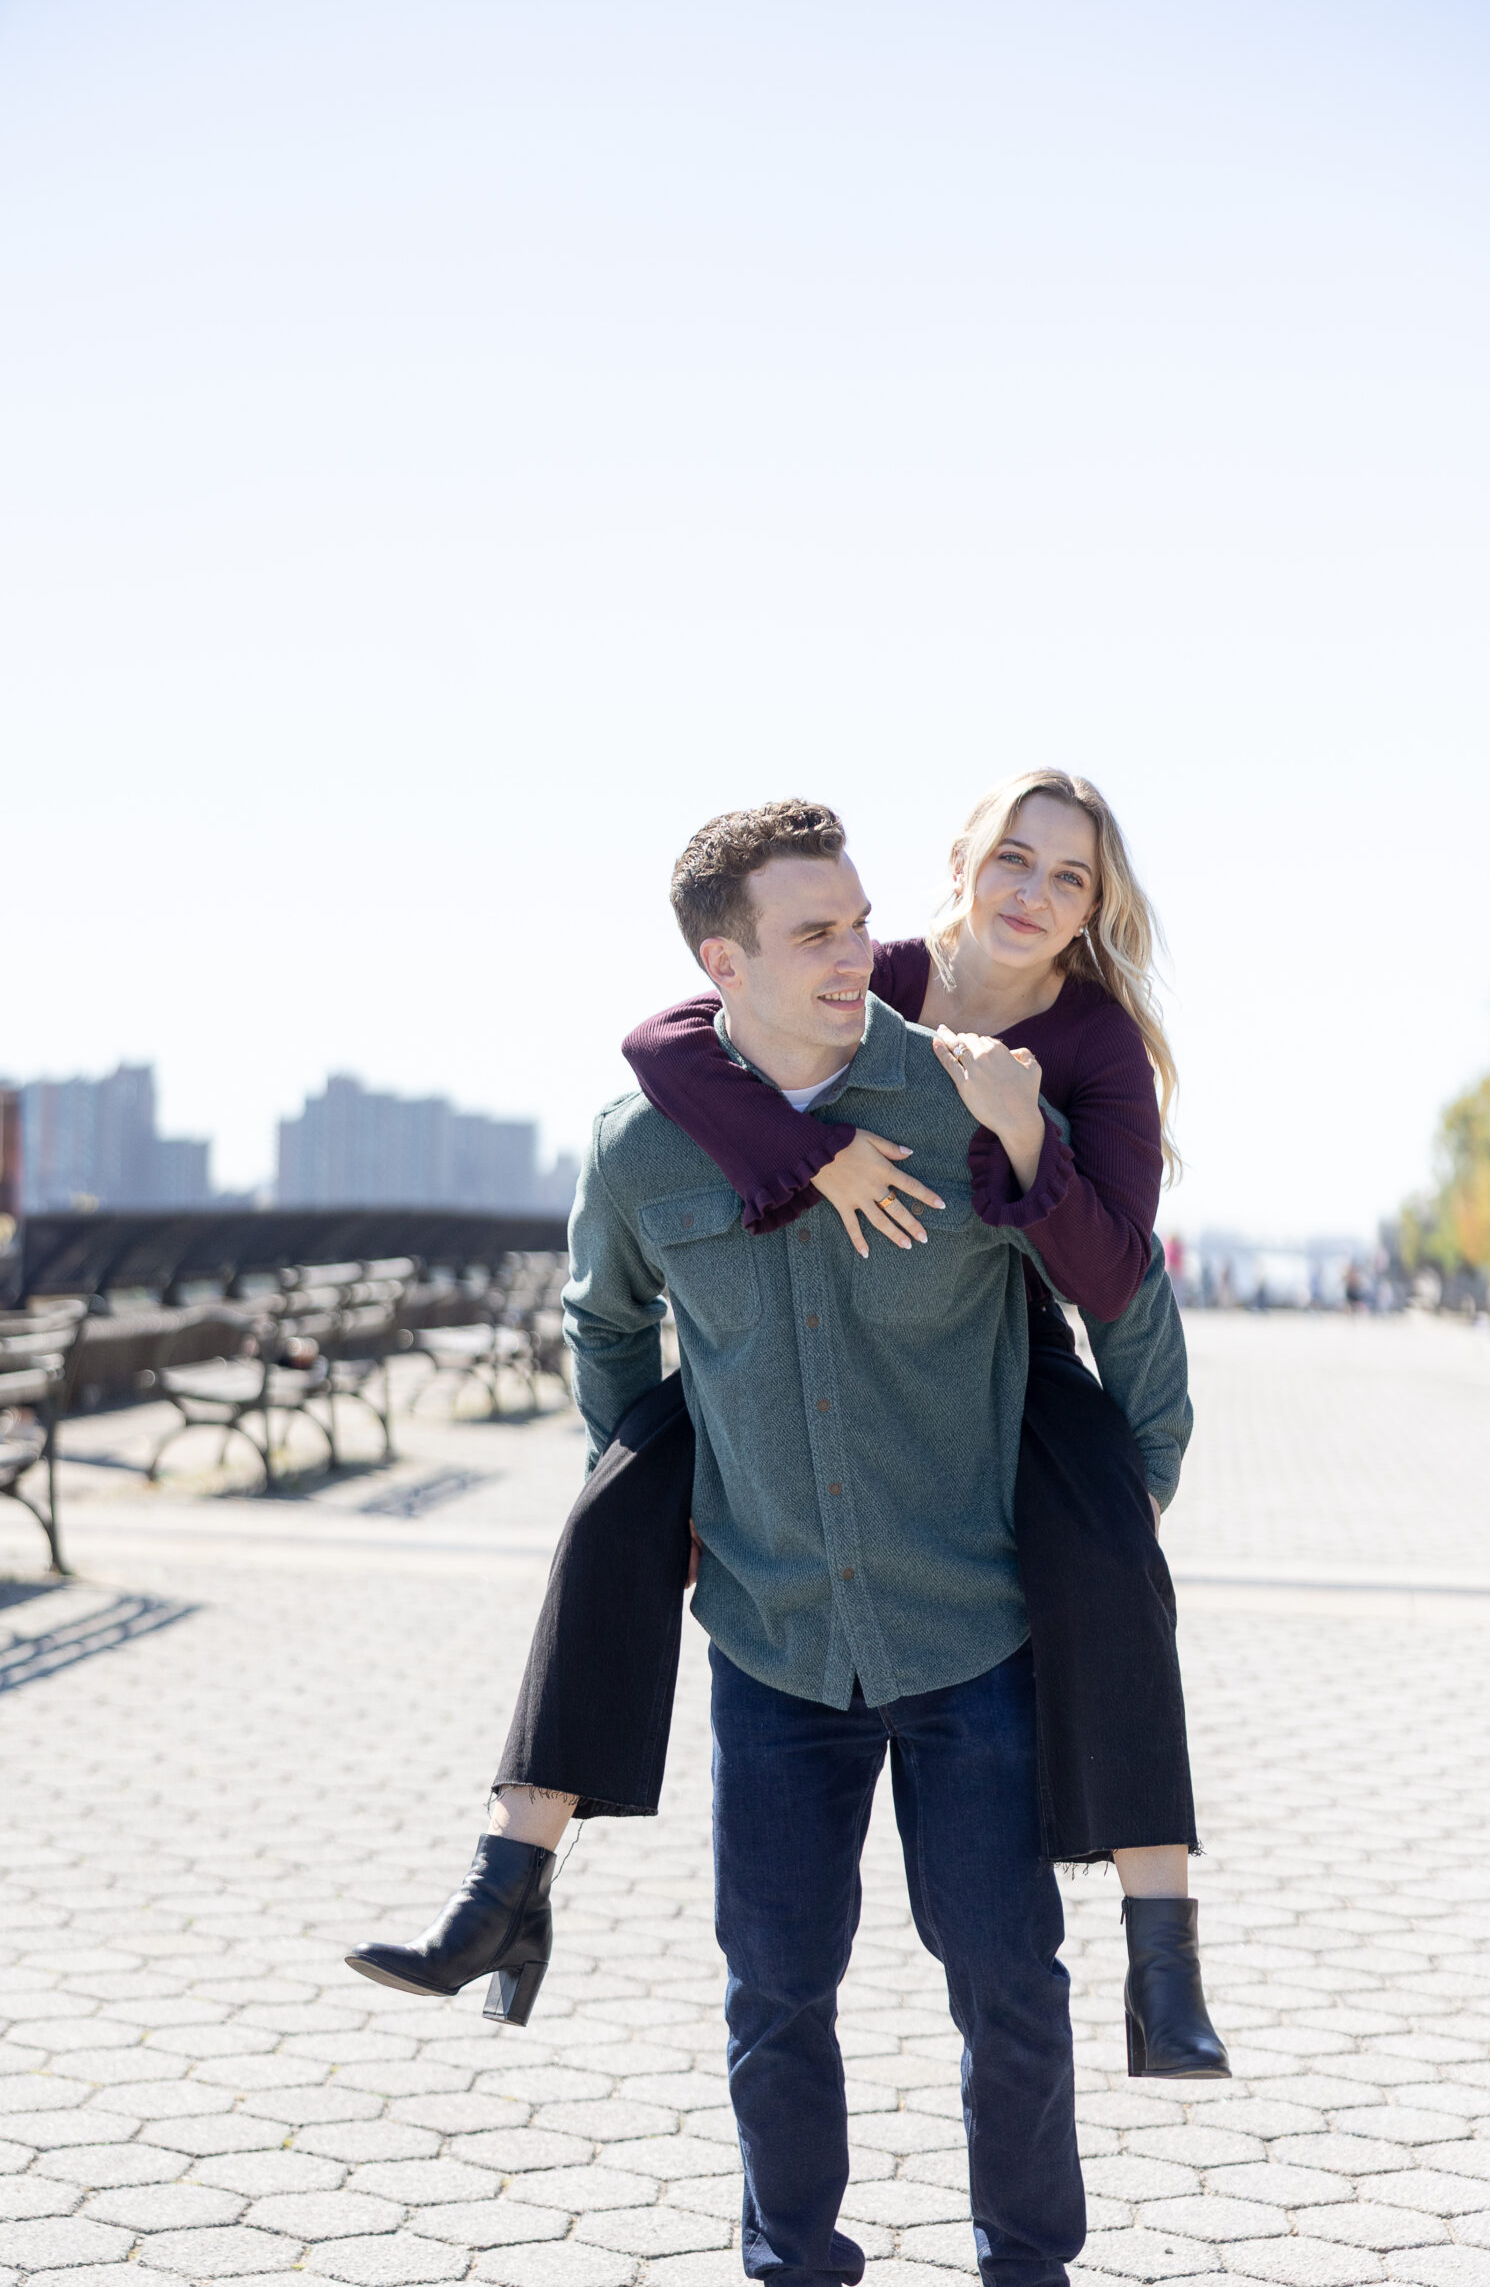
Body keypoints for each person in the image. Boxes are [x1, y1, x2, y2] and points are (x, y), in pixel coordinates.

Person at [348, 776, 1227, 2091]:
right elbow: (667, 1043)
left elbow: (1113, 1279)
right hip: (820, 1397)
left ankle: (1165, 1959)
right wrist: (810, 1158)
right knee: (630, 1485)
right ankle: (507, 1879)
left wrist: (1020, 1126)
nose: (1034, 897)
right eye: (1014, 861)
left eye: (1072, 879)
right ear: (963, 863)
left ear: (1100, 906)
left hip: (1017, 1346)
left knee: (1113, 1555)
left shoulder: (1092, 1041)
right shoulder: (890, 971)